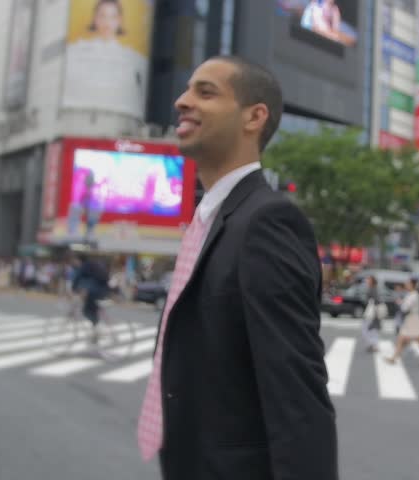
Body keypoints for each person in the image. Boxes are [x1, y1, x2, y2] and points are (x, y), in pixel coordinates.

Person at [136, 56, 337, 479]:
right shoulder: (211, 219)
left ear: (254, 117)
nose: (181, 101)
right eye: (187, 89)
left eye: (205, 92)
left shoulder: (267, 222)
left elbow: (296, 395)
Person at [385, 278, 419, 367]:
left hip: (412, 319)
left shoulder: (413, 295)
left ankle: (394, 358)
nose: (406, 285)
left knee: (414, 340)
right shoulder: (413, 294)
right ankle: (394, 357)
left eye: (408, 283)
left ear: (412, 285)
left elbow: (405, 308)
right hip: (412, 319)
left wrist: (400, 302)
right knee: (409, 339)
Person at [70, 253, 110, 336]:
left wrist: (76, 289)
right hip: (101, 291)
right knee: (92, 309)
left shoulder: (84, 267)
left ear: (79, 260)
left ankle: (96, 326)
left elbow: (77, 280)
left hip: (93, 292)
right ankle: (96, 326)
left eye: (75, 260)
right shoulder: (92, 266)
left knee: (86, 311)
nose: (74, 262)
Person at [361, 275, 381, 354]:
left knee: (368, 328)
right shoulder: (373, 289)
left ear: (372, 281)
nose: (367, 281)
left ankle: (373, 345)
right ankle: (372, 345)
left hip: (372, 313)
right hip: (372, 312)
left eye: (368, 279)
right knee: (372, 329)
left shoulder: (373, 289)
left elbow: (375, 301)